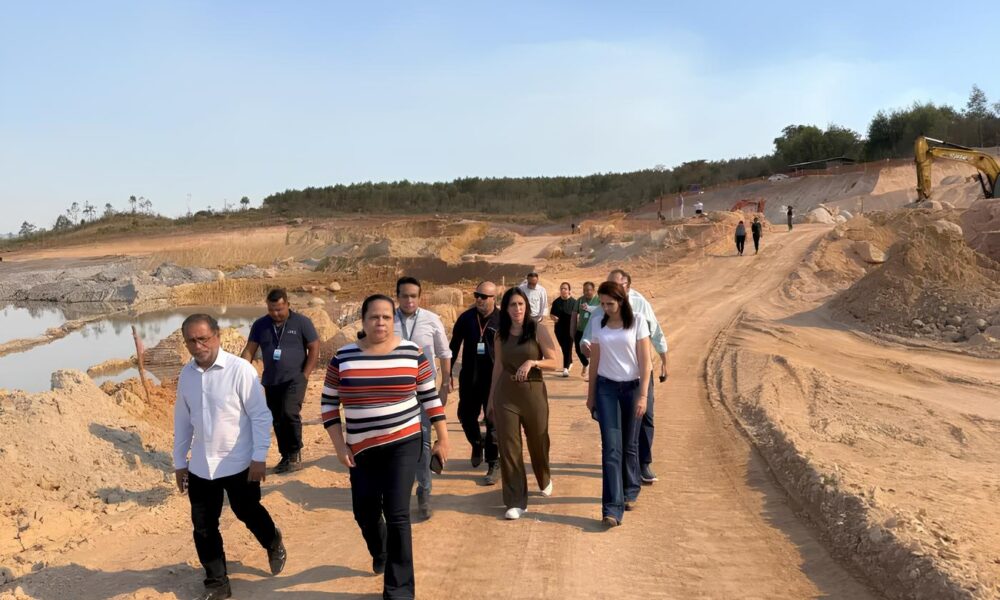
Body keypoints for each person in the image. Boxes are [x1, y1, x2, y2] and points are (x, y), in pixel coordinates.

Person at [322, 294, 449, 599]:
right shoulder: (343, 357)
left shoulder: (412, 352)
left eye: (386, 317)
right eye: (374, 317)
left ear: (394, 321)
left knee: (397, 514)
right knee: (364, 512)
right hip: (361, 448)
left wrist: (442, 437)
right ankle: (380, 550)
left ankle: (399, 591)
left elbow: (429, 399)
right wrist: (340, 447)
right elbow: (328, 405)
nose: (380, 322)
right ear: (363, 321)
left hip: (404, 443)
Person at [174, 314, 286, 600]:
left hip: (239, 462)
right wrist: (179, 463)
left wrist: (260, 456)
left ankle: (272, 541)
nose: (198, 346)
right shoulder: (186, 376)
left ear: (217, 336)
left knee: (247, 511)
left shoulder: (240, 370)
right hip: (201, 466)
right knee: (203, 526)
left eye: (203, 338)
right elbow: (183, 422)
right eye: (191, 341)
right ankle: (217, 583)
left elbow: (261, 416)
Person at [582, 269, 668, 485]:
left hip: (638, 377)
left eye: (618, 285)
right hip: (609, 382)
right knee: (615, 436)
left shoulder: (640, 307)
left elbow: (655, 332)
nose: (612, 290)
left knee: (645, 417)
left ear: (627, 286)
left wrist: (665, 360)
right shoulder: (600, 312)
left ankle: (644, 463)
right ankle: (623, 481)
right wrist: (587, 349)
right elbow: (587, 339)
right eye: (609, 285)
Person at [487, 287, 560, 520]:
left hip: (533, 394)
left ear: (526, 306)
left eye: (520, 304)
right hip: (506, 395)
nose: (517, 309)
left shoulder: (537, 329)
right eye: (512, 305)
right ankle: (516, 500)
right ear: (505, 308)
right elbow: (498, 366)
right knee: (509, 448)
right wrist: (490, 401)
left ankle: (544, 475)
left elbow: (554, 362)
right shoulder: (500, 334)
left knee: (538, 440)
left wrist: (533, 362)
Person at [586, 281, 651, 527]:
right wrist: (590, 394)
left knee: (628, 445)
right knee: (611, 449)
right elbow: (594, 362)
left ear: (621, 300)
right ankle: (611, 509)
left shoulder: (637, 321)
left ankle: (629, 489)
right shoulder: (597, 322)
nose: (605, 308)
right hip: (606, 390)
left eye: (609, 303)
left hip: (632, 389)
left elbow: (646, 363)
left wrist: (644, 395)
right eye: (602, 304)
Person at [241, 288, 320, 474]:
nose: (275, 313)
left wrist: (305, 375)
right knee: (277, 419)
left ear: (287, 305)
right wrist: (239, 370)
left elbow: (314, 347)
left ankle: (294, 454)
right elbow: (249, 350)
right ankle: (285, 456)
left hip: (295, 378)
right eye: (271, 309)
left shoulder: (302, 322)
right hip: (271, 380)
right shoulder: (260, 325)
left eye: (279, 309)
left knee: (289, 413)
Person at [394, 276, 452, 520]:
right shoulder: (388, 320)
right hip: (394, 393)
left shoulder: (431, 319)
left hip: (424, 390)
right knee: (396, 443)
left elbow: (443, 352)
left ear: (420, 297)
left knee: (424, 441)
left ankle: (424, 491)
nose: (409, 300)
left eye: (413, 296)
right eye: (405, 295)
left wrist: (447, 382)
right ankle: (397, 490)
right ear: (397, 296)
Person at [449, 281, 501, 485]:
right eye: (476, 295)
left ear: (493, 298)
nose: (479, 299)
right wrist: (447, 375)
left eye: (483, 296)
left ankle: (493, 463)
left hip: (493, 379)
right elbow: (453, 347)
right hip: (469, 377)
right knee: (465, 416)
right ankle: (476, 443)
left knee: (493, 421)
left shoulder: (501, 320)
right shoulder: (466, 318)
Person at [570, 281, 600, 379]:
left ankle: (593, 373)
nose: (586, 292)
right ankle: (585, 363)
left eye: (589, 290)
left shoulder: (599, 300)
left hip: (594, 331)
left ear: (593, 290)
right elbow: (574, 316)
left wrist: (590, 308)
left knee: (595, 352)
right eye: (584, 290)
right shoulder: (579, 301)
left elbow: (602, 310)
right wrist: (572, 330)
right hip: (581, 330)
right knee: (578, 350)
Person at [549, 282, 578, 377]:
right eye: (561, 288)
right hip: (559, 329)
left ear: (569, 290)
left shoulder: (574, 302)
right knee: (564, 347)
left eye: (565, 288)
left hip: (571, 329)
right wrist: (553, 318)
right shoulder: (556, 302)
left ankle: (565, 368)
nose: (563, 290)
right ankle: (570, 361)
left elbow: (578, 315)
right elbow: (551, 314)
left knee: (568, 347)